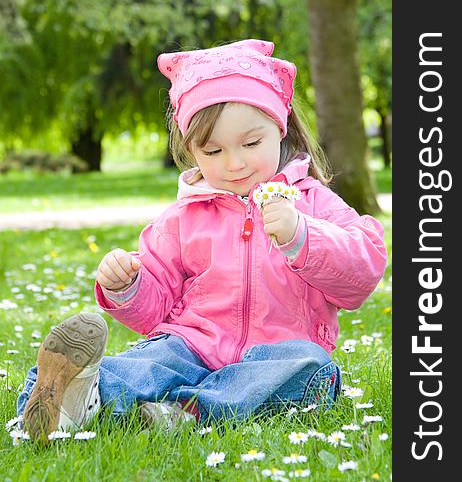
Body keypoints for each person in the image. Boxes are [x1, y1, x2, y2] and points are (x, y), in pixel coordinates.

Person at [17, 39, 387, 441]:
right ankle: (74, 395)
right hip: (191, 344)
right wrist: (127, 287)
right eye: (213, 150)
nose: (235, 163)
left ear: (279, 129)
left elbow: (362, 273)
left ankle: (184, 410)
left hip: (276, 352)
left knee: (309, 369)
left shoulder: (312, 202)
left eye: (251, 143)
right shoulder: (184, 217)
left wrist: (302, 236)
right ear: (190, 150)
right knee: (152, 361)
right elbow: (154, 310)